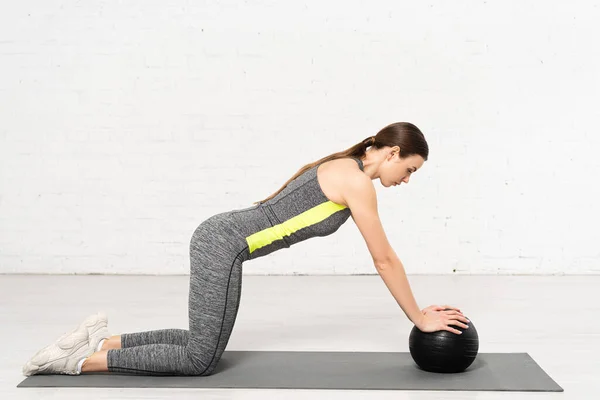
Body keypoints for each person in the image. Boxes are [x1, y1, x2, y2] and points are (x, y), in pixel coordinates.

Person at [22, 121, 470, 377]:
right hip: (223, 244)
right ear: (390, 153)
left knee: (202, 342)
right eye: (409, 169)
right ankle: (81, 361)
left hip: (221, 241)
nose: (407, 180)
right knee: (200, 360)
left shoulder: (343, 167)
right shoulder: (356, 180)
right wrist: (417, 316)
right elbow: (383, 257)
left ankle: (99, 338)